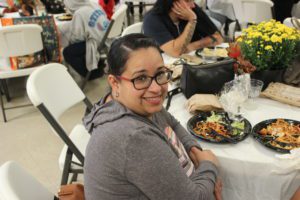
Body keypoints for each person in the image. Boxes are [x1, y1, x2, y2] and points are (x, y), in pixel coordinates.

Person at [83, 34, 222, 200]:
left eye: (160, 73)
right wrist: (209, 166)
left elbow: (171, 122)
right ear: (114, 83)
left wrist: (194, 151)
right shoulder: (133, 137)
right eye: (141, 78)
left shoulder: (125, 104)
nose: (156, 88)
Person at [143, 0, 223, 57]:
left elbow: (218, 38)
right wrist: (192, 21)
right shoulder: (152, 19)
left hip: (193, 65)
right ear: (172, 2)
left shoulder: (192, 10)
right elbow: (176, 52)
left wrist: (189, 47)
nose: (193, 5)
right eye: (187, 0)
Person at [62, 0, 110, 79]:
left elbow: (77, 38)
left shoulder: (79, 13)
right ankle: (98, 65)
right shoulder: (94, 4)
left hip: (97, 42)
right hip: (106, 38)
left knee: (67, 51)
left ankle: (91, 74)